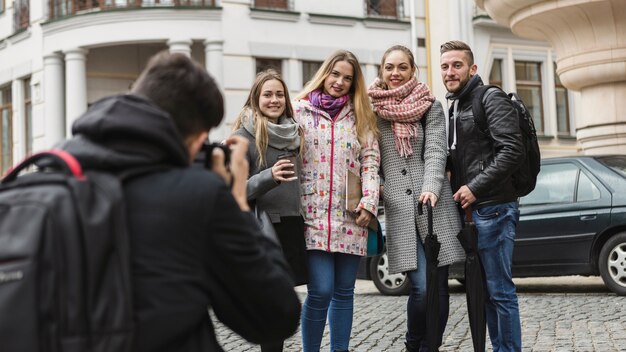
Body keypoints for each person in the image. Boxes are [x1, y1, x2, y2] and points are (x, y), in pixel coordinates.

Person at [58, 51, 301, 352]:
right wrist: (236, 201)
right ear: (196, 136)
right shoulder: (196, 195)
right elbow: (276, 313)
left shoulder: (50, 173)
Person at [367, 45, 465, 351]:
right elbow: (367, 157)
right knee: (422, 287)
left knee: (440, 288)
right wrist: (378, 186)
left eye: (402, 67)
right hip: (399, 209)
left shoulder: (429, 106)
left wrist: (431, 186)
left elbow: (436, 150)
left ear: (413, 71)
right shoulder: (371, 113)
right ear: (381, 72)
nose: (396, 74)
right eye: (389, 68)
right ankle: (414, 344)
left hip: (435, 207)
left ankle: (430, 346)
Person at [293, 50, 380, 352]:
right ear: (324, 73)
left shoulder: (361, 117)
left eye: (347, 78)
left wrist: (369, 201)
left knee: (345, 291)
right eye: (335, 74)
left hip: (351, 216)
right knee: (320, 291)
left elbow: (370, 161)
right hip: (312, 215)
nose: (340, 82)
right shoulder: (299, 111)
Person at [440, 40, 524, 352]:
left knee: (500, 291)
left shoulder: (490, 97)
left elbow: (512, 150)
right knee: (487, 291)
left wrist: (474, 187)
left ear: (473, 68)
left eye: (457, 65)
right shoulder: (455, 105)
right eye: (445, 66)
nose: (450, 71)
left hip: (495, 208)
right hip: (474, 213)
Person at [231, 69, 307, 352]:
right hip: (263, 230)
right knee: (271, 303)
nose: (274, 100)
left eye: (279, 94)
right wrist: (269, 176)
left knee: (283, 303)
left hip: (291, 225)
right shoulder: (241, 137)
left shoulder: (294, 134)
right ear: (256, 98)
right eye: (267, 95)